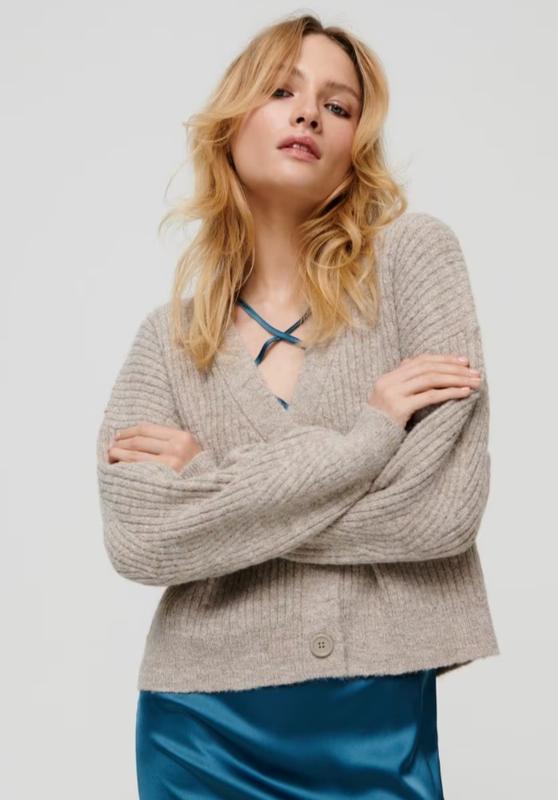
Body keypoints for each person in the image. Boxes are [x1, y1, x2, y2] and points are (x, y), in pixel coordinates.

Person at [96, 13, 499, 799]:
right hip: (195, 728)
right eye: (282, 91)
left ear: (355, 147)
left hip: (373, 718)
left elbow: (440, 513)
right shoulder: (169, 340)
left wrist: (212, 491)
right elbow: (141, 540)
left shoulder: (414, 260)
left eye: (337, 105)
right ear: (232, 122)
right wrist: (368, 439)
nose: (309, 113)